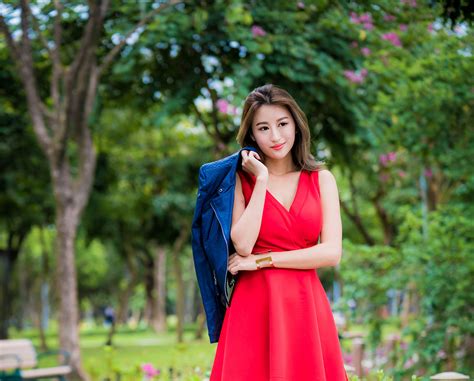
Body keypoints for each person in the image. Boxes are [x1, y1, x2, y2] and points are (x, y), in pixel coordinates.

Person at [209, 84, 349, 381]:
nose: (275, 136)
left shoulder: (321, 179)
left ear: (296, 126)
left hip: (304, 305)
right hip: (254, 305)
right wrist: (261, 180)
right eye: (263, 127)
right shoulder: (240, 181)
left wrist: (264, 261)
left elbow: (331, 252)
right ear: (252, 135)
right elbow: (243, 245)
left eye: (282, 124)